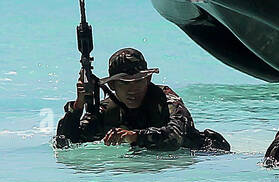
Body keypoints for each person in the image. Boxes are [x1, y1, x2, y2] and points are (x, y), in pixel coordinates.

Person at [54, 48, 231, 151]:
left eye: (138, 81)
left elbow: (175, 138)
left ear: (148, 79)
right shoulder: (108, 109)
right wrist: (78, 106)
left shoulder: (166, 99)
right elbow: (66, 143)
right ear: (113, 86)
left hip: (204, 156)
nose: (133, 89)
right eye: (124, 83)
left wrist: (135, 137)